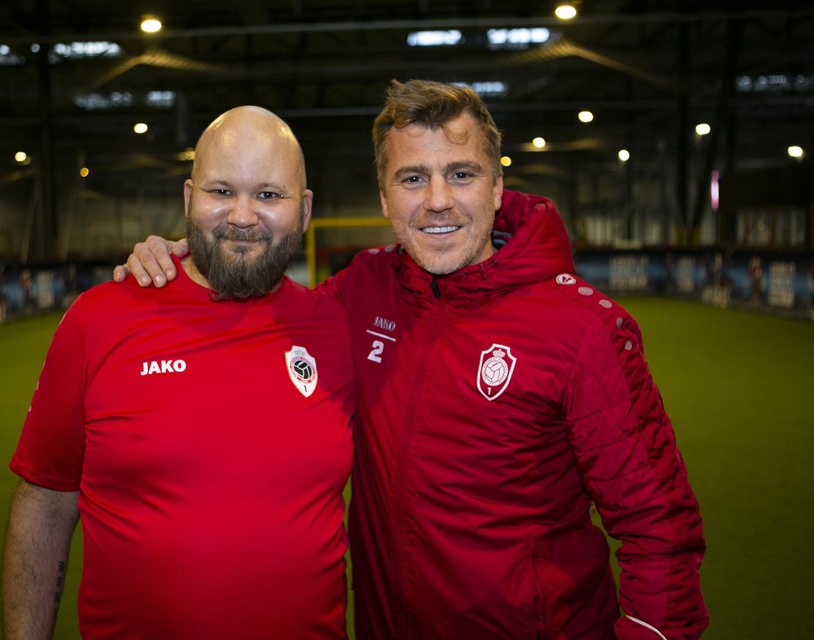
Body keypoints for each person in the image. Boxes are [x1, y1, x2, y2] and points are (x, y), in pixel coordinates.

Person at [117, 79, 709, 639]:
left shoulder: (584, 328)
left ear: (497, 188)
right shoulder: (361, 290)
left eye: (461, 173)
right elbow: (256, 317)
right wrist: (184, 263)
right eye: (412, 178)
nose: (438, 201)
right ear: (383, 196)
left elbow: (659, 529)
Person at [2, 106, 355, 640]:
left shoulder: (338, 323)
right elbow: (45, 502)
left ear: (304, 210)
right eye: (221, 191)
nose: (242, 215)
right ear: (189, 199)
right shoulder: (99, 319)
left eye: (268, 194)